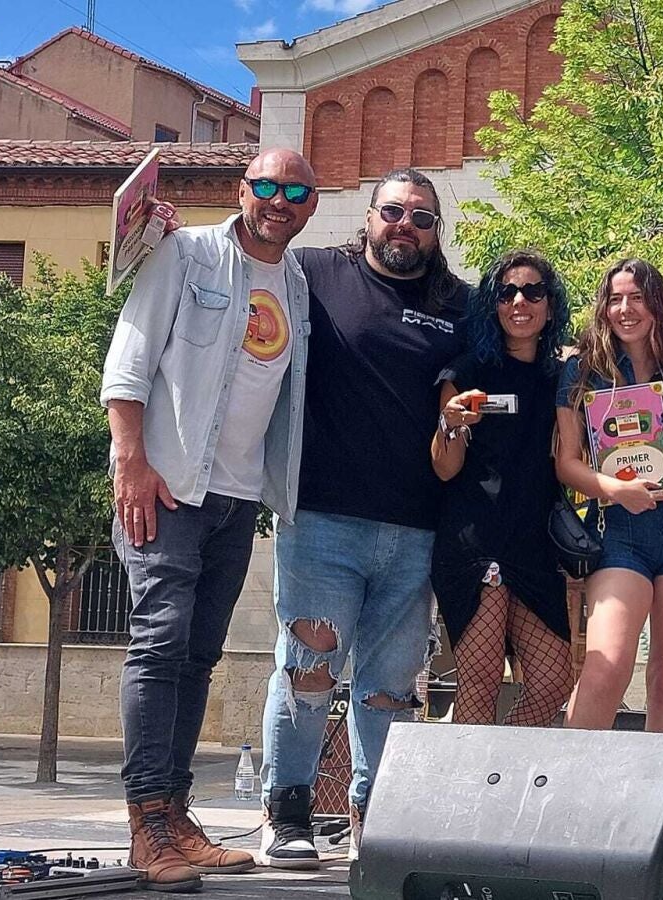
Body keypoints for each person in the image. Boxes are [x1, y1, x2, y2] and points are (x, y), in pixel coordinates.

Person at [101, 148, 318, 892]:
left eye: (295, 191)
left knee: (198, 657)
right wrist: (131, 462)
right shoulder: (185, 253)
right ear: (241, 189)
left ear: (311, 205)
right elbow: (128, 363)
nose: (279, 201)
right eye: (267, 186)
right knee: (159, 645)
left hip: (237, 498)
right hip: (167, 487)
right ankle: (146, 824)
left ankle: (175, 813)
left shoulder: (296, 283)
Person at [257, 168, 469, 868]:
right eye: (393, 211)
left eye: (422, 217)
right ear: (369, 217)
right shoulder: (313, 273)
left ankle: (374, 820)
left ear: (436, 231)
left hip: (417, 529)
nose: (406, 225)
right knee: (308, 670)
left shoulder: (458, 305)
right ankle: (287, 811)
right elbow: (244, 264)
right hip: (320, 520)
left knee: (389, 689)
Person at [555, 259, 663, 733]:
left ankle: (659, 782)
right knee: (607, 666)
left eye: (637, 298)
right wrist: (615, 489)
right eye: (616, 299)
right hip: (620, 534)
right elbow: (567, 462)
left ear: (657, 306)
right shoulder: (582, 372)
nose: (626, 309)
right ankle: (569, 776)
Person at [431, 249, 574, 727]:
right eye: (506, 292)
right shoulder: (468, 371)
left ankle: (498, 761)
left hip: (535, 545)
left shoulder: (562, 377)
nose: (519, 301)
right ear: (492, 304)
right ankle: (470, 776)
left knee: (554, 680)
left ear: (549, 305)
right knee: (481, 678)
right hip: (476, 541)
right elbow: (445, 469)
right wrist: (450, 425)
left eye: (533, 292)